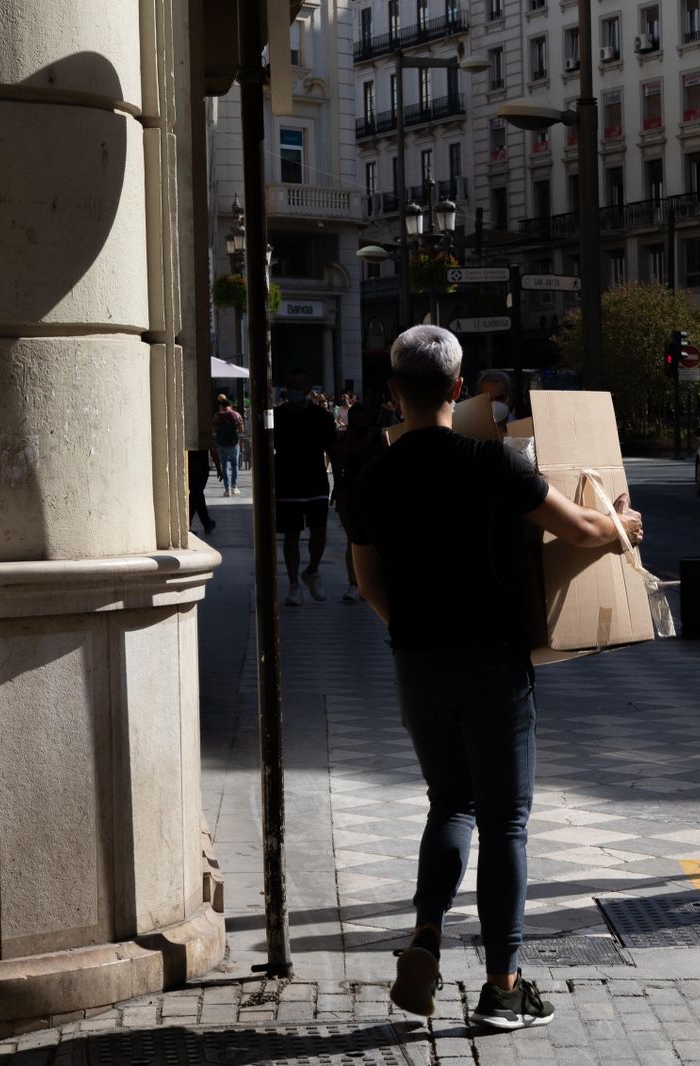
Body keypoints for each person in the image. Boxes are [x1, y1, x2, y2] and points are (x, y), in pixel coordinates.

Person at [350, 325, 644, 1028]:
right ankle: (503, 987)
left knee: (449, 803)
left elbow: (368, 583)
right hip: (494, 664)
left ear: (393, 392)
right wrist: (621, 527)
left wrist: (415, 633)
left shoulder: (369, 478)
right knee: (505, 821)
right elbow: (578, 530)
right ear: (459, 388)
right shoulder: (493, 462)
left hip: (418, 663)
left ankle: (426, 933)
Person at [274, 369, 340, 605]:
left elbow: (333, 450)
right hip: (287, 482)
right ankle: (294, 585)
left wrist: (338, 483)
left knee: (319, 531)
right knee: (291, 535)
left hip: (315, 482)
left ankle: (312, 570)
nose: (294, 392)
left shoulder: (321, 416)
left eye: (299, 387)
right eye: (291, 387)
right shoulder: (277, 416)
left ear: (307, 390)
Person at [332, 401, 385, 603]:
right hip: (350, 493)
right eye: (355, 420)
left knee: (374, 538)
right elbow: (337, 467)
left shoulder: (378, 437)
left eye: (361, 420)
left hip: (375, 494)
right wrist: (338, 491)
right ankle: (354, 583)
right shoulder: (345, 440)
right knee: (353, 539)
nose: (358, 424)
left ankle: (370, 582)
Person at [213, 394, 244, 496]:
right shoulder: (236, 415)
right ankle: (234, 487)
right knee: (235, 465)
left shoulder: (217, 416)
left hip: (221, 444)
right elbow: (241, 429)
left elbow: (214, 429)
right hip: (234, 444)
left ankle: (227, 489)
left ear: (221, 406)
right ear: (230, 406)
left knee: (225, 466)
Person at [187, 446, 216, 534]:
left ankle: (206, 522)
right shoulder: (204, 437)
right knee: (196, 494)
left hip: (191, 466)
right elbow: (212, 447)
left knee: (197, 494)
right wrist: (218, 466)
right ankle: (188, 523)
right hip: (200, 466)